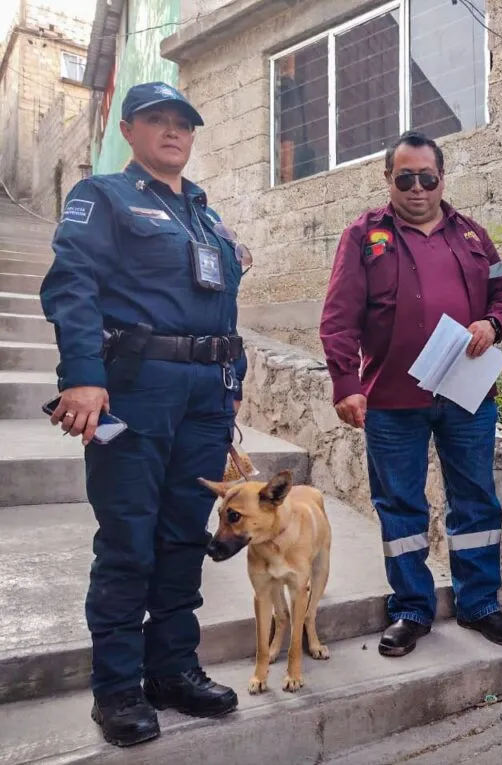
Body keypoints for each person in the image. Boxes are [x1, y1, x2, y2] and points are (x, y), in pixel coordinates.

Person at [39, 82, 249, 747]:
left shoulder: (206, 216)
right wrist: (81, 377)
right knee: (129, 537)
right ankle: (119, 687)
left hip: (204, 395)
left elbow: (224, 311)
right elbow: (72, 285)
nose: (172, 131)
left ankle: (173, 669)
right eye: (156, 121)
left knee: (184, 534)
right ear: (128, 131)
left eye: (182, 122)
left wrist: (232, 387)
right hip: (132, 390)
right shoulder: (102, 196)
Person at [319, 130, 502, 658]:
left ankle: (479, 603)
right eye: (405, 177)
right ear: (388, 179)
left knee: (476, 499)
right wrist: (345, 383)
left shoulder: (473, 235)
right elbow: (339, 317)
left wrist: (492, 324)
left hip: (466, 395)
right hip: (391, 397)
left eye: (426, 177)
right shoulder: (364, 236)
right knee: (401, 507)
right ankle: (411, 608)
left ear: (441, 179)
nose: (417, 188)